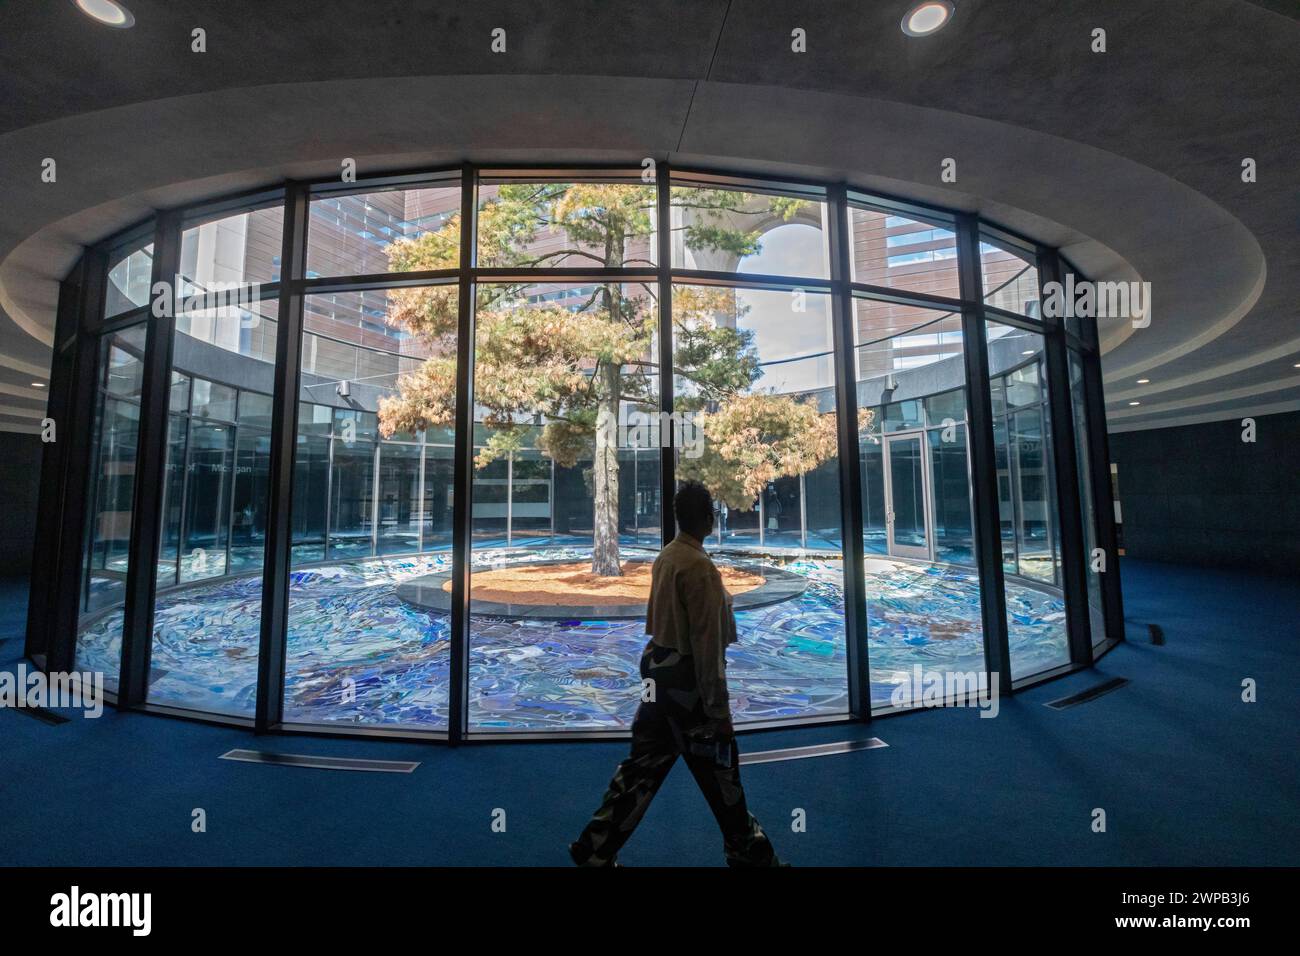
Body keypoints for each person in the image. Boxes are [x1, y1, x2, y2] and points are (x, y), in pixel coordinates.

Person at [568, 481, 783, 867]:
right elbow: (706, 647)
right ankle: (751, 857)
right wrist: (719, 713)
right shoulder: (700, 569)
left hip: (658, 680)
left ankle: (594, 848)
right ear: (706, 517)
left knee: (639, 770)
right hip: (689, 689)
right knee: (723, 780)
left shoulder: (666, 557)